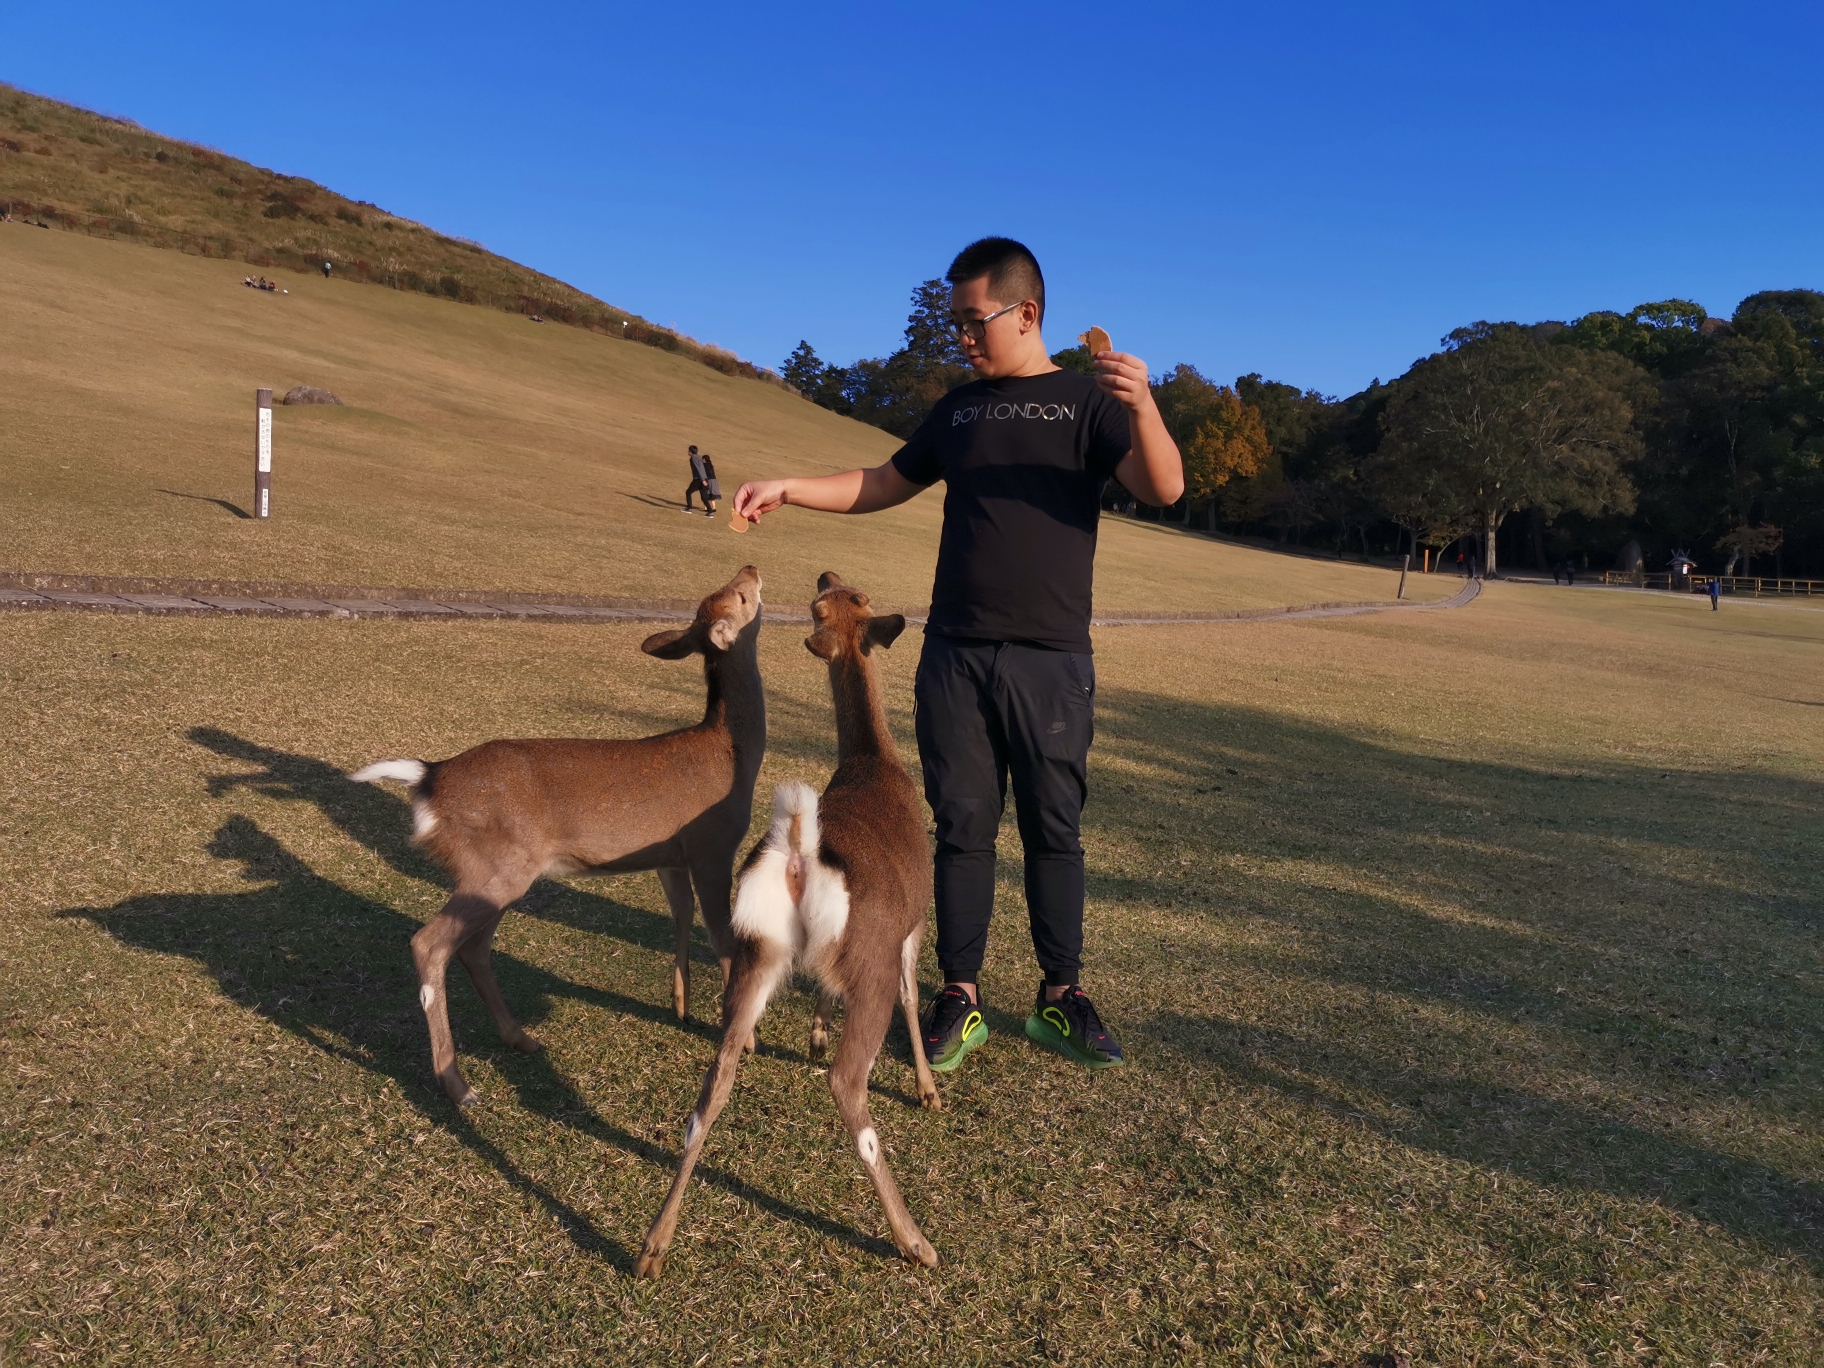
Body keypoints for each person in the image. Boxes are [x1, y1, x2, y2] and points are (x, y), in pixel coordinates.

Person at [734, 237, 1184, 1073]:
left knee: (1056, 828)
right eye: (956, 325)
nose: (964, 340)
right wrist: (790, 486)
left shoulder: (1089, 405)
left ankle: (1062, 996)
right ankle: (960, 996)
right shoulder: (960, 411)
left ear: (1028, 314)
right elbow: (881, 482)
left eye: (975, 323)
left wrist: (1145, 407)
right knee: (962, 829)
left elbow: (1165, 487)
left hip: (1051, 660)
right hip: (957, 656)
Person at [683, 445, 711, 512]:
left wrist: (702, 480)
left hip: (699, 479)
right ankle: (710, 512)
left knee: (688, 492)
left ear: (690, 451)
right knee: (703, 497)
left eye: (688, 450)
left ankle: (689, 508)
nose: (688, 452)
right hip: (704, 478)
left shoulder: (693, 458)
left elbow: (699, 469)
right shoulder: (699, 457)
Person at [699, 451, 722, 519]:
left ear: (704, 460)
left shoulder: (705, 466)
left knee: (707, 494)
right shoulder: (711, 465)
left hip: (709, 481)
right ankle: (713, 507)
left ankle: (707, 507)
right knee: (711, 495)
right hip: (714, 481)